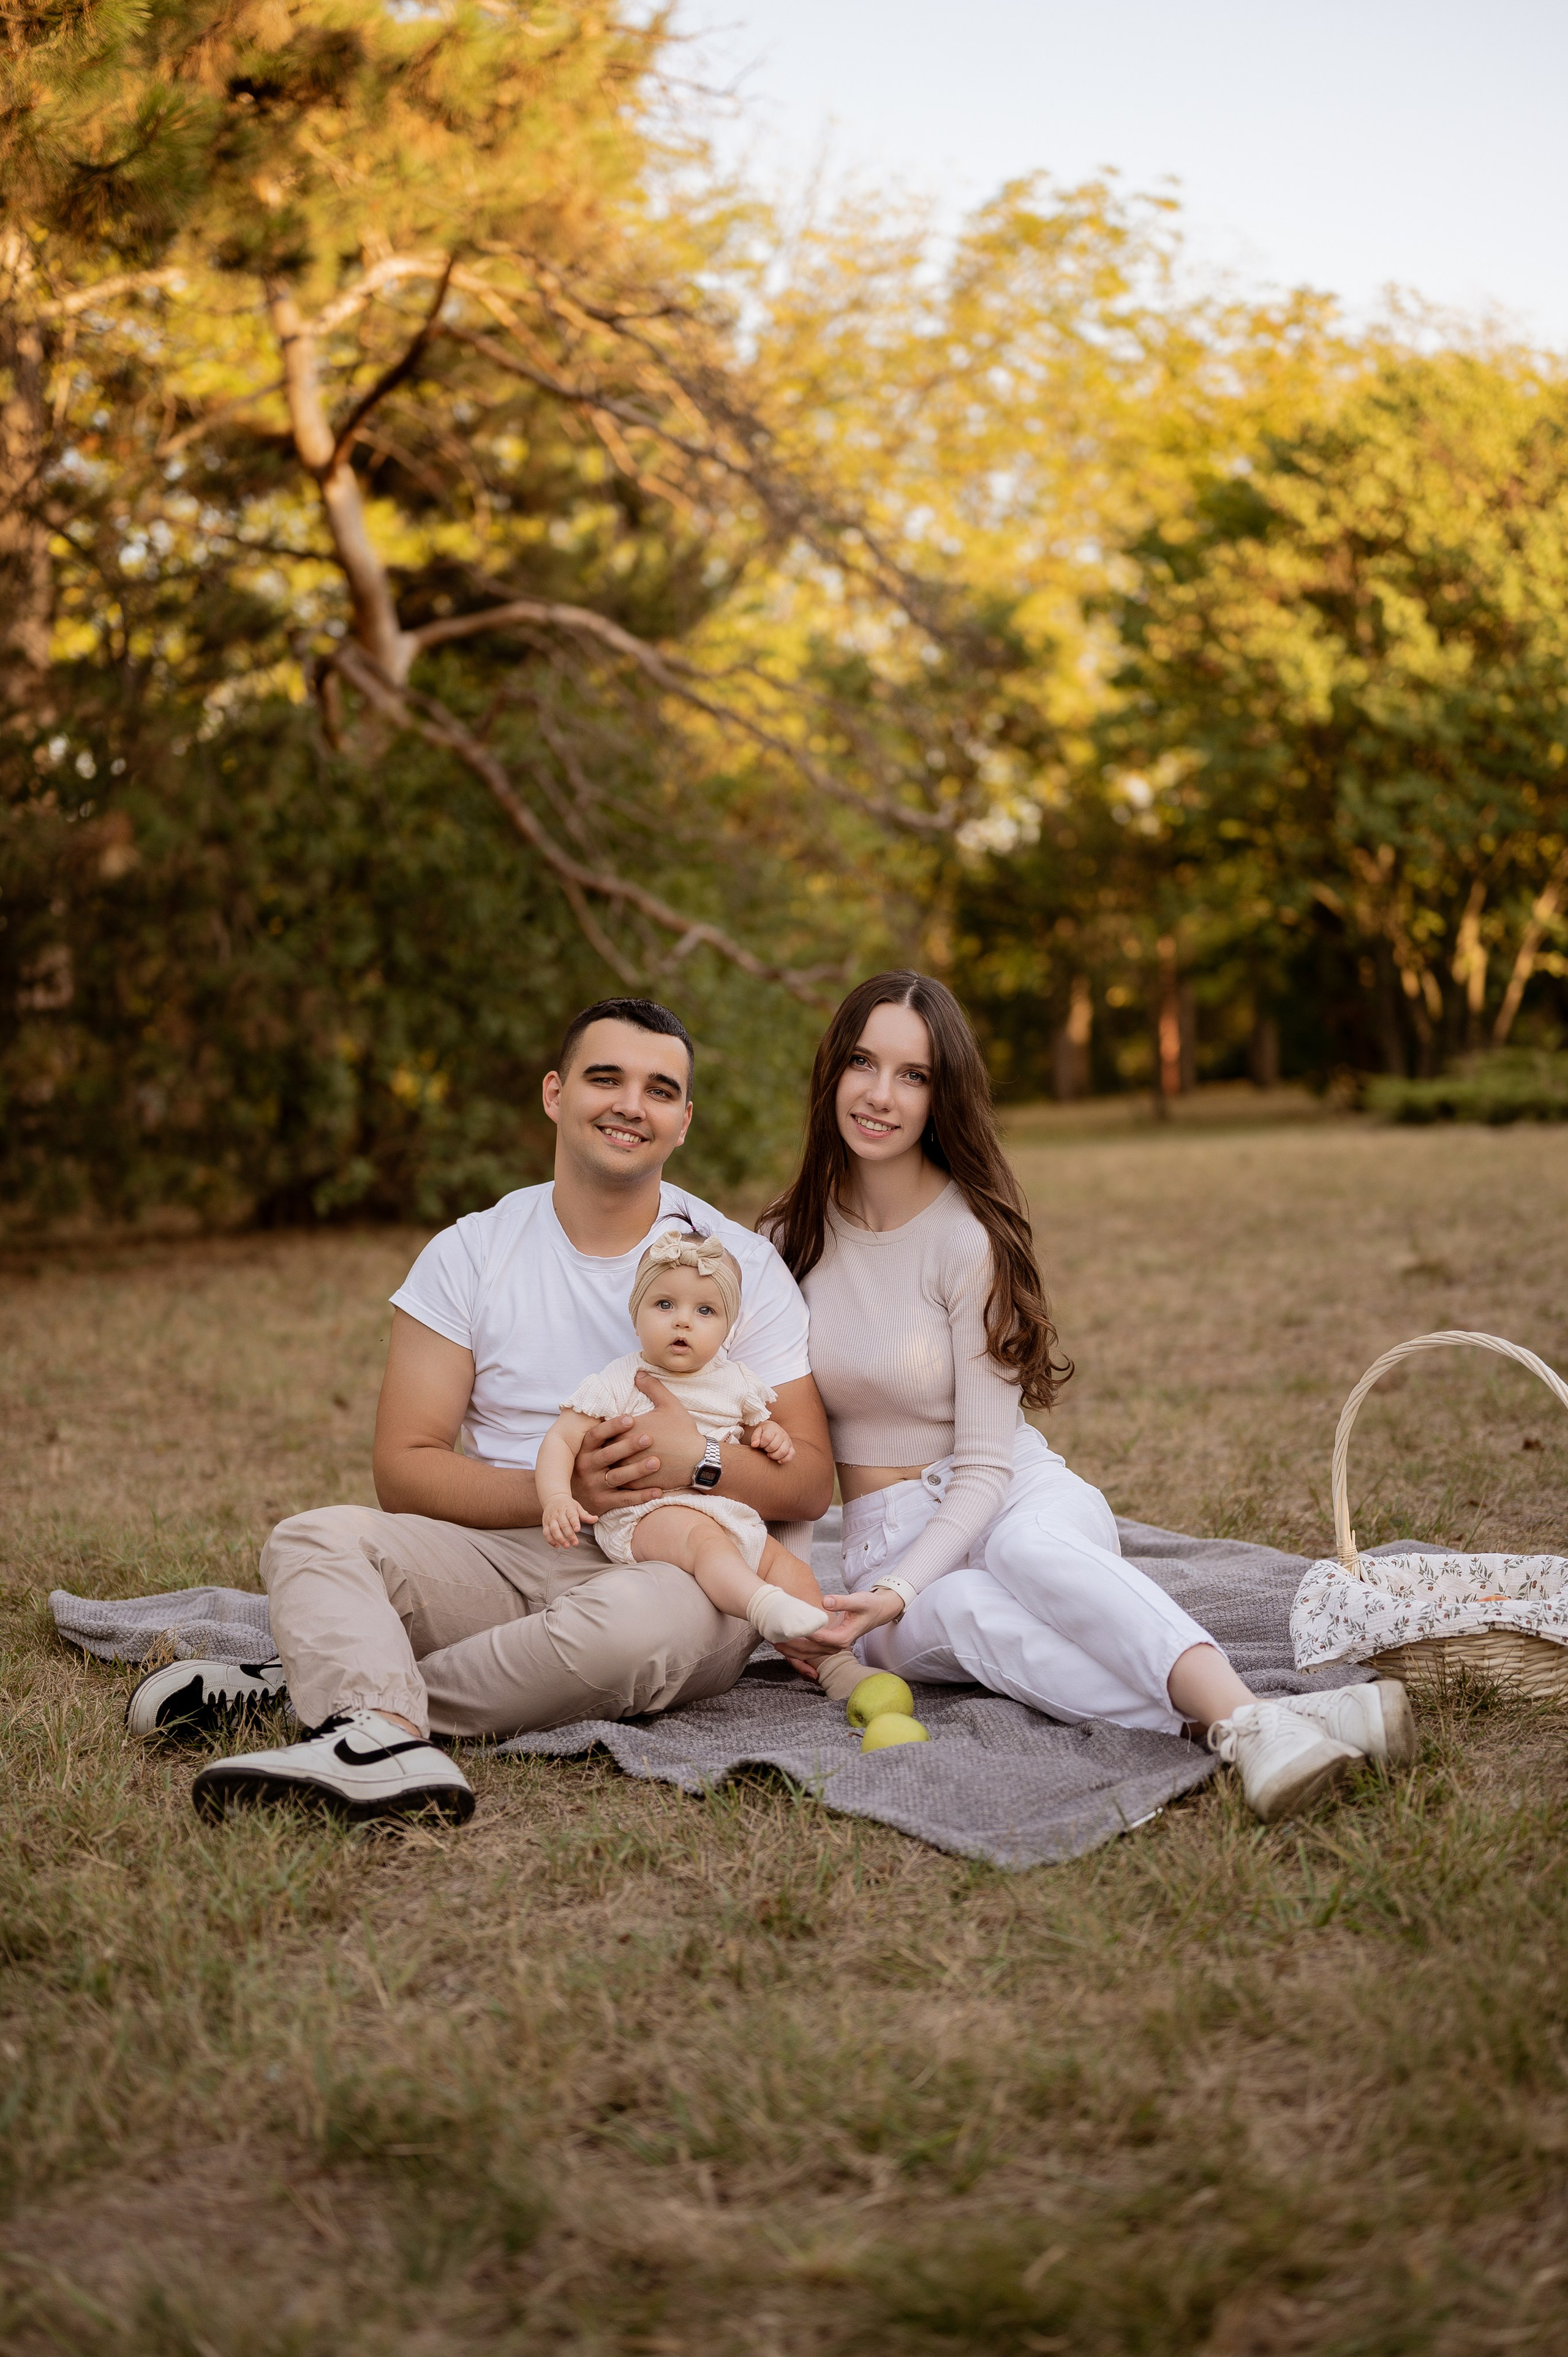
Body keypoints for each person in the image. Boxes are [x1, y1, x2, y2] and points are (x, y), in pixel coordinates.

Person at [130, 997, 834, 1823]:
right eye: (604, 1078)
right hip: (504, 1551)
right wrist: (562, 1495)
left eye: (658, 1089)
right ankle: (376, 1732)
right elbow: (404, 1467)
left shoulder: (736, 1268)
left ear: (683, 1121)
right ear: (555, 1095)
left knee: (639, 1630)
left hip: (681, 1568)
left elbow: (812, 1482)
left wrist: (698, 1462)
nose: (629, 1105)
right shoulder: (470, 1252)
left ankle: (349, 1709)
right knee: (315, 1539)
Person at [761, 971, 1416, 1823]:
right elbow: (776, 1442)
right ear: (832, 1072)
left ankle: (1246, 1726)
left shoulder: (969, 1241)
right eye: (862, 1063)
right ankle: (1280, 1722)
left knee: (1031, 1554)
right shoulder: (785, 1241)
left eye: (913, 1075)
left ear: (942, 1096)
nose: (880, 1095)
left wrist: (899, 1591)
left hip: (1009, 1494)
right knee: (962, 1608)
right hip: (881, 1548)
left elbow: (988, 1468)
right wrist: (789, 1598)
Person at [537, 1225, 830, 1646]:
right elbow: (561, 1440)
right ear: (635, 1317)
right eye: (664, 1304)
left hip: (727, 1514)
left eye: (705, 1311)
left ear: (728, 1328)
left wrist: (769, 1435)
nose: (682, 1320)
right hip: (649, 1517)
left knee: (794, 1570)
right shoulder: (623, 1380)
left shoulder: (736, 1382)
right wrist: (557, 1498)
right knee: (704, 1542)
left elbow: (755, 1434)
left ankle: (831, 1660)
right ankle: (761, 1607)